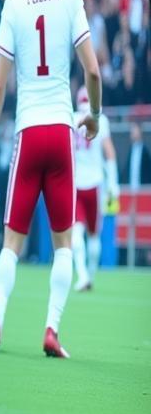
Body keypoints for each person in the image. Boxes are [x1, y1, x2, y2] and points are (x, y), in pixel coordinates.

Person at [0, 0, 101, 359]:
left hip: (28, 132)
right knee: (63, 243)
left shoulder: (13, 2)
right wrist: (96, 116)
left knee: (12, 241)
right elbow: (92, 72)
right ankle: (51, 329)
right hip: (62, 130)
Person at [72, 86, 119, 291]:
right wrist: (112, 184)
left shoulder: (72, 118)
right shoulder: (102, 119)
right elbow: (110, 153)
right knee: (93, 234)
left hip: (75, 184)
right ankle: (89, 273)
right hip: (95, 183)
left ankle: (83, 275)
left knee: (76, 233)